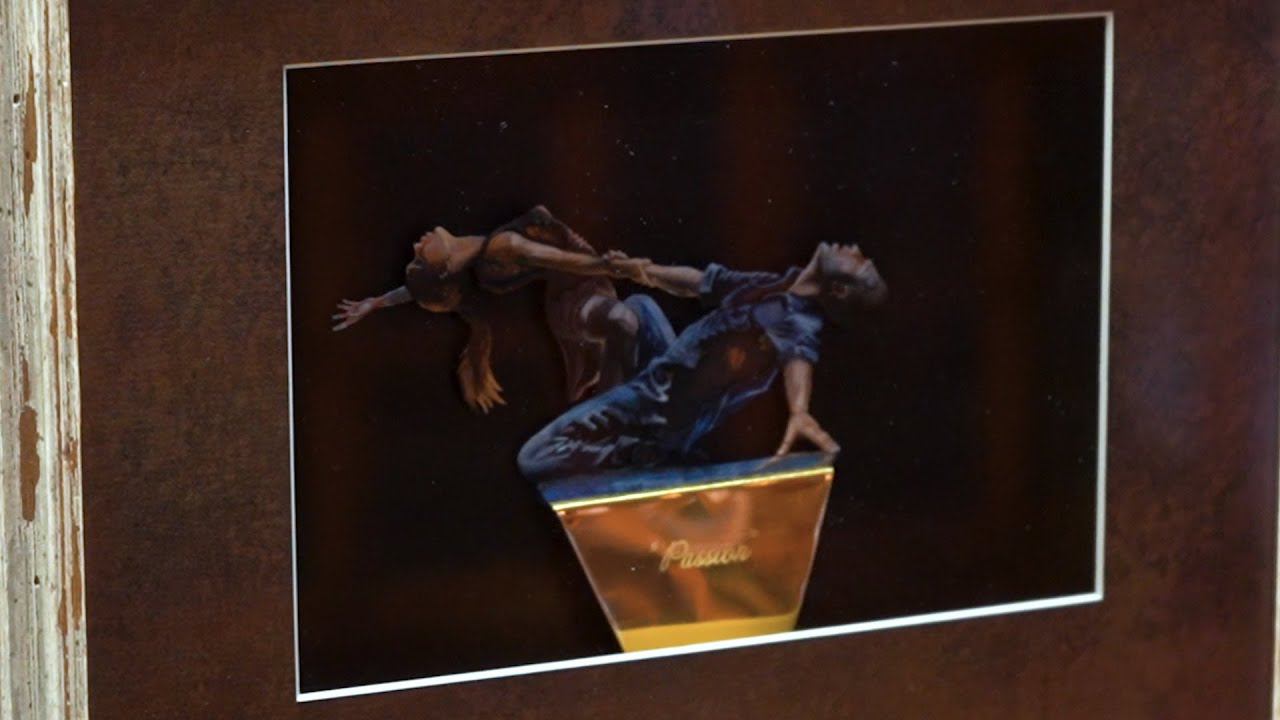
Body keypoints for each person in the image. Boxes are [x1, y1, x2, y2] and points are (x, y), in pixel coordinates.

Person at [517, 242, 887, 481]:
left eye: (859, 262)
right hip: (666, 372)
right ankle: (628, 436)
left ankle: (634, 452)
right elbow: (699, 283)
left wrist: (799, 410)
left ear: (839, 288)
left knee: (534, 458)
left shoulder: (795, 320)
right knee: (641, 308)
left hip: (661, 406)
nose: (855, 249)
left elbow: (798, 354)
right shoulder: (773, 285)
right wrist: (638, 270)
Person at [331, 206, 651, 412]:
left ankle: (610, 414)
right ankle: (616, 419)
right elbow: (561, 259)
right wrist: (611, 265)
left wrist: (377, 302)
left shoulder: (475, 260)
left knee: (586, 379)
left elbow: (422, 290)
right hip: (577, 294)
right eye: (420, 257)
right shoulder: (501, 250)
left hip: (574, 293)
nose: (416, 245)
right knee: (617, 332)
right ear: (446, 268)